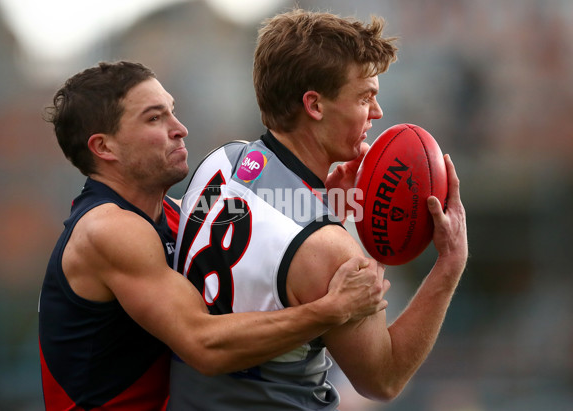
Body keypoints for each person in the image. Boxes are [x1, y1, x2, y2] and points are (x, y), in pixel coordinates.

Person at [38, 61, 391, 410]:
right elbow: (204, 346)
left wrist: (326, 203)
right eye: (154, 118)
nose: (180, 129)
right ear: (104, 147)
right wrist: (331, 310)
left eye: (172, 112)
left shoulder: (177, 212)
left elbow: (262, 231)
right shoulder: (109, 229)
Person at [168, 8, 468, 410]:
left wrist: (329, 210)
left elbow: (266, 233)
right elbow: (383, 377)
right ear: (314, 104)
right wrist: (448, 267)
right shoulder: (328, 250)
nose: (376, 113)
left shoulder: (218, 163)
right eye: (365, 97)